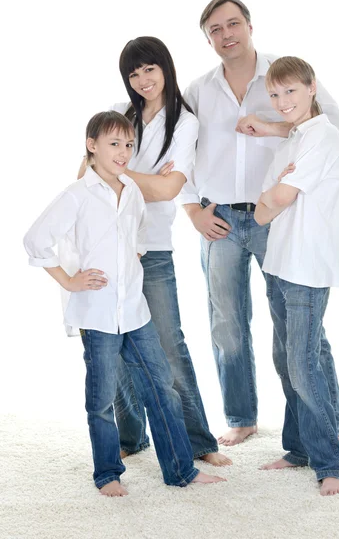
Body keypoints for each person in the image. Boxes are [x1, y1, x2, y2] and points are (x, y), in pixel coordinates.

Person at [180, 0, 339, 460]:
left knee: (298, 328)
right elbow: (174, 151)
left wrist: (270, 126)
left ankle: (331, 426)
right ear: (208, 39)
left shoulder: (282, 75)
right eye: (216, 29)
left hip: (275, 216)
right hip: (218, 215)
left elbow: (329, 124)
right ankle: (241, 418)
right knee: (227, 324)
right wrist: (193, 211)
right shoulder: (199, 89)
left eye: (233, 23)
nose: (227, 34)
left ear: (249, 25)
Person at [24, 111, 225, 496]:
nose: (123, 152)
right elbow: (36, 240)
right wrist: (69, 280)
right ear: (92, 146)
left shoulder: (131, 189)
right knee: (101, 400)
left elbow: (136, 234)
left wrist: (132, 255)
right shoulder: (76, 194)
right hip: (97, 314)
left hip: (134, 310)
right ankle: (108, 474)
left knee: (161, 389)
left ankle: (181, 470)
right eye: (114, 144)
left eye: (129, 144)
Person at [77, 37, 230, 466]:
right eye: (134, 73)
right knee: (114, 342)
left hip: (153, 247)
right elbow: (85, 171)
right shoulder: (122, 113)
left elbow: (169, 189)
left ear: (165, 67)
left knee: (167, 345)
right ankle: (132, 436)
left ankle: (198, 441)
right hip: (108, 246)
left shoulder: (184, 123)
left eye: (149, 69)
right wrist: (138, 175)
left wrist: (119, 171)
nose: (143, 80)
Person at [251, 56, 339, 496]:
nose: (282, 100)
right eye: (275, 94)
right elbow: (261, 208)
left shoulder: (322, 136)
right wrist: (272, 197)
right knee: (284, 360)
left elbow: (280, 197)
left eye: (290, 91)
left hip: (306, 265)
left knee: (303, 363)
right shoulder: (292, 141)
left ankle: (330, 461)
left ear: (311, 88)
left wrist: (274, 196)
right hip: (279, 262)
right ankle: (299, 448)